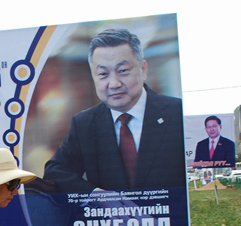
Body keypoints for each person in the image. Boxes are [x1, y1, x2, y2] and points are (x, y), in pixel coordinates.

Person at [43, 28, 185, 192]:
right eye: (103, 74)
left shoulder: (177, 114)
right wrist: (97, 196)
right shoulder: (85, 124)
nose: (114, 83)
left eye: (123, 71)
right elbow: (55, 173)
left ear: (143, 69)